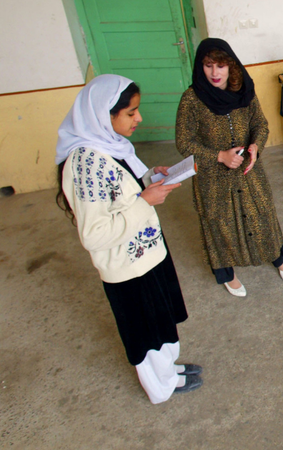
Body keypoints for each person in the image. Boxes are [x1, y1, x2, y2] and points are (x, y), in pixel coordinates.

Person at [55, 74, 202, 404]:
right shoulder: (85, 164)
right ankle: (160, 387)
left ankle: (170, 371)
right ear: (103, 114)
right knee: (145, 332)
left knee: (161, 321)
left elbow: (122, 191)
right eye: (130, 112)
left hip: (148, 254)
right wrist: (145, 201)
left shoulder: (111, 146)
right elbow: (94, 234)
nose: (139, 119)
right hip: (127, 268)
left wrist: (151, 178)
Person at [176, 38, 283, 297]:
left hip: (248, 171)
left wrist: (255, 147)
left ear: (231, 66)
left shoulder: (245, 91)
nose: (215, 73)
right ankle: (227, 272)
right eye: (208, 66)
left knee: (262, 214)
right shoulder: (192, 99)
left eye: (221, 65)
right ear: (200, 66)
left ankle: (276, 255)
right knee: (221, 224)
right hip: (213, 179)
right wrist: (218, 156)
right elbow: (184, 143)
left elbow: (260, 125)